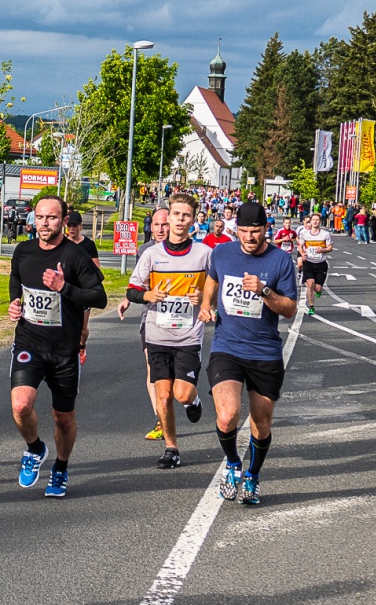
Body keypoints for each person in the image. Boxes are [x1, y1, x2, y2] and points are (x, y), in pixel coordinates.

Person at [199, 201, 298, 505]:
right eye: (243, 231)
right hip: (227, 346)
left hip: (264, 351)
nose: (249, 237)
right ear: (236, 229)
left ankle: (253, 475)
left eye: (255, 232)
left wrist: (265, 291)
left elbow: (290, 310)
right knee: (227, 417)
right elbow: (213, 278)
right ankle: (232, 465)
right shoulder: (223, 253)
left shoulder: (280, 261)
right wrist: (206, 304)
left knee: (261, 421)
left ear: (266, 229)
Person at [9, 195, 107, 497]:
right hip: (30, 341)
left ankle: (61, 467)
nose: (43, 224)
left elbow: (99, 298)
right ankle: (35, 448)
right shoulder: (23, 251)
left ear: (63, 220)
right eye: (39, 217)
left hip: (64, 349)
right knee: (21, 404)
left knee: (62, 418)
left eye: (51, 218)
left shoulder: (75, 255)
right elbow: (17, 278)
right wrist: (15, 302)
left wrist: (63, 287)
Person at [124, 193, 210, 468]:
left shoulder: (204, 254)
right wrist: (147, 296)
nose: (180, 220)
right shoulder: (151, 254)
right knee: (163, 395)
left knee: (182, 393)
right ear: (168, 217)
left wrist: (204, 300)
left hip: (188, 335)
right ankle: (171, 448)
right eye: (176, 214)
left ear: (193, 219)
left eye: (186, 215)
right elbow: (133, 290)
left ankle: (193, 402)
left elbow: (216, 285)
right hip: (157, 335)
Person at [119, 207, 170, 441]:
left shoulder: (191, 252)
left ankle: (188, 400)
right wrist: (127, 299)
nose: (160, 229)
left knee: (177, 382)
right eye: (156, 224)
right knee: (153, 370)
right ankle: (160, 419)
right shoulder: (145, 250)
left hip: (181, 321)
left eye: (165, 224)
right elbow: (138, 283)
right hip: (151, 317)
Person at [65, 210, 101, 365]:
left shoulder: (88, 245)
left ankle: (82, 346)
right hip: (65, 289)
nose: (71, 229)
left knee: (82, 329)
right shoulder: (63, 242)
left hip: (82, 291)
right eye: (69, 226)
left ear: (80, 226)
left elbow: (96, 269)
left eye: (74, 226)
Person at [298, 213, 333, 316]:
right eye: (313, 220)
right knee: (310, 284)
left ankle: (318, 290)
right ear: (310, 221)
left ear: (320, 221)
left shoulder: (325, 234)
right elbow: (300, 246)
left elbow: (330, 248)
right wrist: (303, 254)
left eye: (317, 220)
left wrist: (322, 249)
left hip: (321, 263)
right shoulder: (305, 234)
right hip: (308, 262)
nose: (315, 221)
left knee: (317, 288)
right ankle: (311, 306)